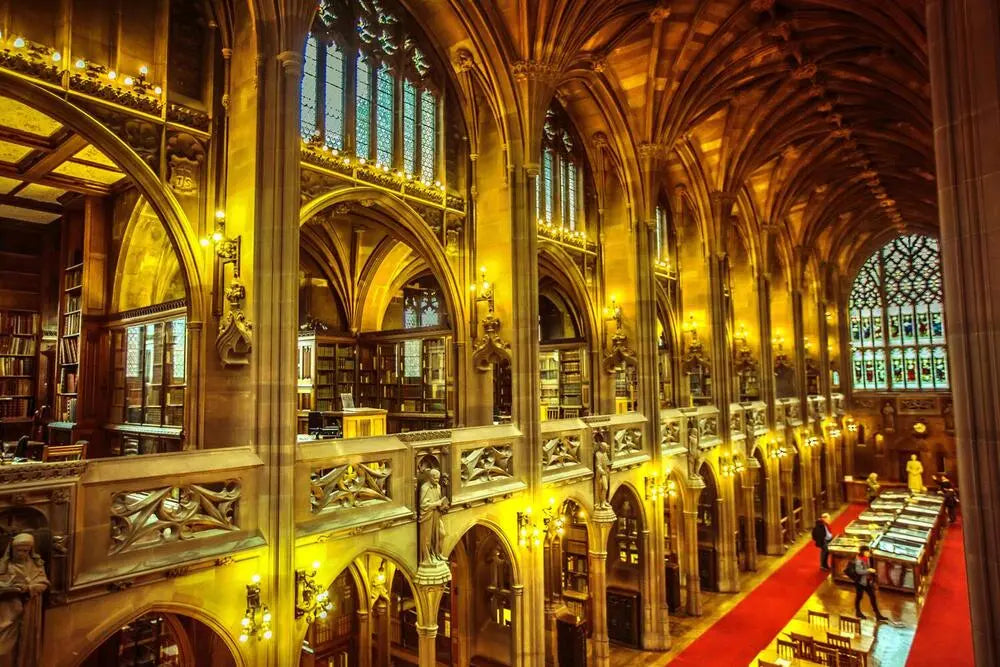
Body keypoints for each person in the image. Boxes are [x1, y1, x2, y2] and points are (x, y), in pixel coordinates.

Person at [0, 533, 49, 667]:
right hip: (7, 611)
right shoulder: (4, 566)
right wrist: (7, 588)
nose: (23, 553)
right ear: (12, 550)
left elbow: (44, 583)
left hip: (29, 609)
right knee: (4, 649)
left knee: (25, 645)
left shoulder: (36, 565)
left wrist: (28, 588)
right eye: (19, 550)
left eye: (26, 551)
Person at [846, 545, 888, 622]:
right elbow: (859, 571)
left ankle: (877, 614)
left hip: (866, 581)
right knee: (859, 597)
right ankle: (858, 611)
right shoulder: (859, 560)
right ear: (863, 552)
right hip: (860, 582)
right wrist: (869, 570)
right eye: (868, 551)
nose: (869, 553)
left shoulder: (866, 558)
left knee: (872, 596)